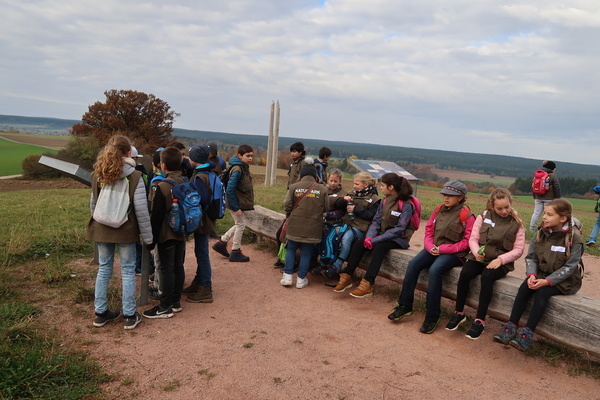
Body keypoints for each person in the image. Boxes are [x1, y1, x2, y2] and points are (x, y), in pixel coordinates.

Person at [494, 199, 583, 351]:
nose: (544, 217)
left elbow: (570, 267)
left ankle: (527, 333)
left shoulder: (574, 238)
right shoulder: (540, 234)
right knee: (524, 289)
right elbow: (531, 258)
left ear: (562, 218)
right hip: (541, 274)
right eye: (544, 214)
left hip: (565, 280)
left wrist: (548, 281)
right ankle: (510, 327)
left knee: (542, 293)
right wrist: (532, 275)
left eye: (549, 214)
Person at [388, 180, 474, 334]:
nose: (446, 198)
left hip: (454, 254)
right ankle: (405, 305)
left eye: (451, 196)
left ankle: (432, 316)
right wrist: (430, 246)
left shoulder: (466, 215)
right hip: (433, 248)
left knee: (435, 270)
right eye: (445, 195)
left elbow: (467, 242)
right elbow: (429, 231)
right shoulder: (439, 209)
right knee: (413, 264)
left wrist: (442, 249)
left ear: (460, 197)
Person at [86, 135, 152, 330]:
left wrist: (100, 224)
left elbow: (94, 203)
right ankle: (129, 316)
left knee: (104, 269)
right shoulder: (135, 177)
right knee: (127, 270)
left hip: (101, 228)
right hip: (125, 230)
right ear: (128, 153)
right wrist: (149, 239)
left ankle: (100, 313)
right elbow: (141, 211)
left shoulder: (98, 173)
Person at [445, 188, 525, 339]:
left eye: (507, 207)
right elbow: (473, 239)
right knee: (466, 272)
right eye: (499, 208)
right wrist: (476, 252)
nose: (504, 211)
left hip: (500, 261)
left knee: (487, 276)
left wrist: (501, 260)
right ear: (492, 206)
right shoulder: (484, 216)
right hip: (480, 257)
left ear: (511, 203)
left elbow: (519, 250)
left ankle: (480, 320)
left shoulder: (516, 223)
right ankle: (459, 312)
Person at [334, 173, 416, 298]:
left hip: (399, 239)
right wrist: (369, 237)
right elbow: (376, 221)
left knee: (379, 247)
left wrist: (376, 239)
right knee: (360, 242)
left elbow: (399, 229)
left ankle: (368, 283)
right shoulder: (384, 201)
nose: (380, 188)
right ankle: (347, 275)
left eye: (383, 185)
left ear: (391, 187)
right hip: (382, 235)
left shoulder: (406, 205)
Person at [143, 146, 186, 319]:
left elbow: (157, 216)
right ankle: (175, 302)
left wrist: (150, 241)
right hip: (182, 232)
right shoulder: (185, 181)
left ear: (163, 165)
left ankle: (165, 306)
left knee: (166, 269)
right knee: (178, 266)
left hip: (166, 234)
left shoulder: (162, 186)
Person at [320, 171, 380, 279]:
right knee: (332, 236)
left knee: (345, 239)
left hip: (361, 228)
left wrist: (356, 209)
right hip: (346, 223)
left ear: (365, 184)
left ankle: (336, 266)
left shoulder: (375, 199)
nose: (354, 186)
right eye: (354, 184)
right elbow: (339, 205)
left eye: (357, 184)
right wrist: (343, 200)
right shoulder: (352, 193)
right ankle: (324, 263)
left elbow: (372, 215)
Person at [280, 159, 329, 288]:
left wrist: (288, 216)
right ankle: (301, 279)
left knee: (291, 249)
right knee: (306, 253)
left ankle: (287, 276)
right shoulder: (322, 189)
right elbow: (326, 208)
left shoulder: (293, 187)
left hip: (295, 223)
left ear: (301, 175)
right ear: (314, 175)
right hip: (313, 226)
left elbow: (287, 205)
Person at [184, 144, 218, 303]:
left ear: (195, 159)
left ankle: (206, 288)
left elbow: (200, 200)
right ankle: (198, 282)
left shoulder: (200, 177)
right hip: (208, 218)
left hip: (202, 220)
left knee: (202, 253)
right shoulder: (208, 173)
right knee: (200, 251)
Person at [212, 144, 255, 262]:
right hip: (234, 203)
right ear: (240, 156)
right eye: (247, 156)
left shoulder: (243, 167)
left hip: (236, 202)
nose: (250, 158)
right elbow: (230, 189)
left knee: (239, 223)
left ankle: (222, 242)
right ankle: (236, 251)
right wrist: (236, 207)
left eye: (251, 156)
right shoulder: (238, 169)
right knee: (241, 224)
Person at [529, 160, 561, 232]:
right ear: (552, 168)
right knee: (548, 214)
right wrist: (558, 199)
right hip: (549, 199)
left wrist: (535, 196)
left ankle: (532, 228)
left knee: (536, 213)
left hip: (538, 197)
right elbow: (557, 188)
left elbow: (533, 186)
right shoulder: (553, 176)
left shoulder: (537, 175)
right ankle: (546, 228)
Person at [131, 145, 148, 275]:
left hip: (131, 215)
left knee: (135, 244)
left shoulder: (136, 174)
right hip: (138, 211)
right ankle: (140, 264)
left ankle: (139, 265)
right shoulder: (141, 172)